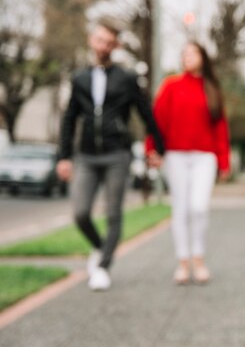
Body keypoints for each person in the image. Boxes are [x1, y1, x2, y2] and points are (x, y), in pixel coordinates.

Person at [56, 20, 165, 291]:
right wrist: (64, 156)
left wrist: (158, 148)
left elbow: (146, 113)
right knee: (81, 213)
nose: (103, 45)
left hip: (117, 154)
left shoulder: (127, 79)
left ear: (115, 45)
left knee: (114, 214)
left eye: (109, 41)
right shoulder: (79, 78)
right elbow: (70, 119)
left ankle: (103, 267)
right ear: (91, 40)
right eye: (99, 39)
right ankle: (100, 247)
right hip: (87, 156)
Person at [145, 41, 231, 285]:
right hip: (176, 156)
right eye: (183, 53)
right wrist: (152, 149)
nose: (187, 57)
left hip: (205, 156)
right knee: (180, 209)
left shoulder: (212, 89)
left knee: (199, 207)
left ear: (203, 57)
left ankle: (199, 258)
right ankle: (183, 263)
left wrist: (224, 160)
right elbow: (157, 120)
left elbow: (221, 127)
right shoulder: (171, 86)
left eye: (192, 52)